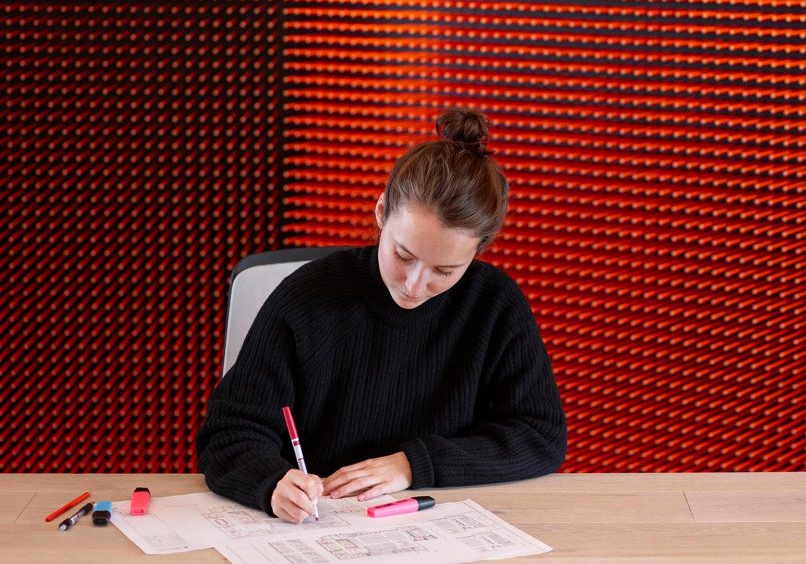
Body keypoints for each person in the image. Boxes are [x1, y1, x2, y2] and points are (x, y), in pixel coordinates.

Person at [197, 109, 567, 523]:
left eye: (444, 272)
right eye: (402, 255)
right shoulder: (304, 298)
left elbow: (540, 436)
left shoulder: (495, 303)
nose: (413, 285)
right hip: (319, 526)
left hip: (436, 521)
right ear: (380, 213)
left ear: (477, 253)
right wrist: (270, 482)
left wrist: (413, 464)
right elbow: (228, 435)